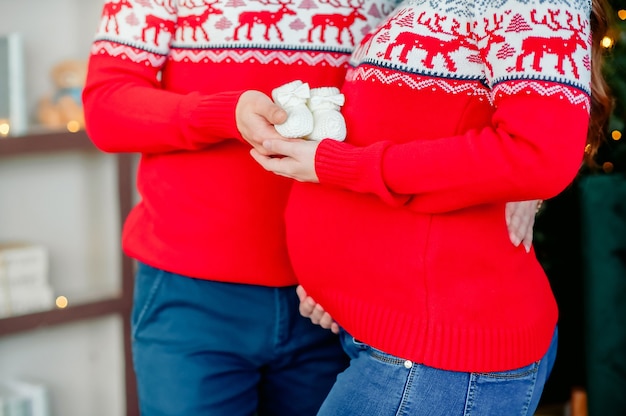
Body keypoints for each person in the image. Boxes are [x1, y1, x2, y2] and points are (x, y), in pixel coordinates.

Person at [82, 1, 547, 415]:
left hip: (342, 301)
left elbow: (494, 80)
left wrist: (527, 172)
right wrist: (224, 114)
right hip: (193, 297)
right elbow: (106, 108)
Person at [251, 0, 613, 413]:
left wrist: (335, 164)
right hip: (392, 336)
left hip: (438, 355)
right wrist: (338, 283)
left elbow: (536, 156)